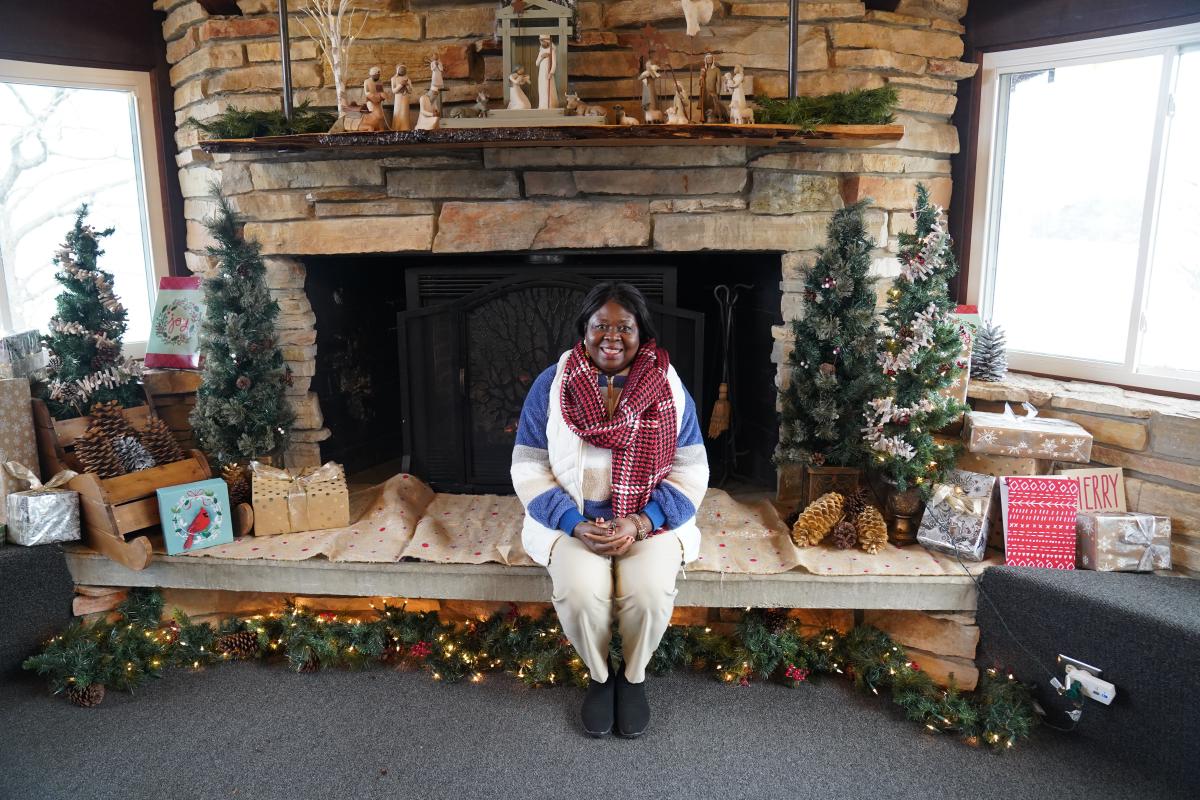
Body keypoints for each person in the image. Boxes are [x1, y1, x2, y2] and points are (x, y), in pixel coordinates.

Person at [511, 282, 708, 739]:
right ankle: (600, 676)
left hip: (650, 521)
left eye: (625, 327)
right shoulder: (552, 384)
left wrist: (643, 522)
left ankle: (633, 677)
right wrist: (573, 523)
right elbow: (528, 465)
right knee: (581, 591)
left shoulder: (668, 386)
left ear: (642, 334)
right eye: (601, 325)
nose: (612, 337)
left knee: (650, 592)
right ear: (584, 329)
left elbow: (691, 469)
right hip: (573, 521)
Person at [535, 34, 558, 109]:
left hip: (548, 73)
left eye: (542, 41)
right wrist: (542, 57)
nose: (541, 43)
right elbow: (537, 63)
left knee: (548, 89)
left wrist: (551, 72)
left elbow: (554, 64)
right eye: (540, 41)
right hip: (541, 73)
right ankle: (543, 105)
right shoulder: (541, 50)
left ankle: (550, 105)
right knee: (542, 89)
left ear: (547, 41)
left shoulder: (552, 50)